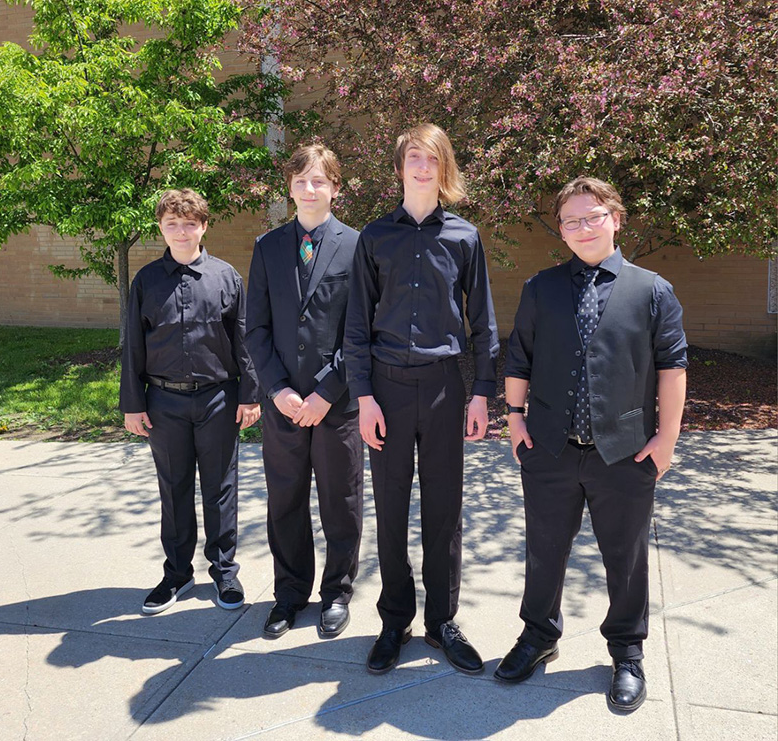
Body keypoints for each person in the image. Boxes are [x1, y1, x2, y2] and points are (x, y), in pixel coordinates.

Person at [496, 176, 687, 712]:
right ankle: (538, 636)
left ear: (616, 219)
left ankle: (626, 653)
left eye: (593, 216)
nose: (582, 227)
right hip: (550, 449)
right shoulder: (541, 287)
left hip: (624, 453)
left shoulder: (652, 290)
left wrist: (666, 439)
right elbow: (519, 360)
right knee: (544, 550)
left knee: (624, 558)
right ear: (561, 231)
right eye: (571, 221)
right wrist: (514, 421)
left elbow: (673, 369)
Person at [345, 123, 499, 675]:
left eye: (433, 159)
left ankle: (442, 621)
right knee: (390, 508)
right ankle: (394, 619)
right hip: (385, 388)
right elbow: (356, 327)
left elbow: (482, 323)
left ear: (444, 168)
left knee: (444, 510)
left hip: (442, 387)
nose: (422, 167)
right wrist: (363, 398)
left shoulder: (464, 237)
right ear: (400, 166)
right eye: (414, 156)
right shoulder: (374, 238)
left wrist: (481, 393)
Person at [120, 188, 261, 615]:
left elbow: (245, 341)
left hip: (219, 398)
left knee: (221, 488)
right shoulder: (146, 281)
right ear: (160, 228)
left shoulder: (226, 277)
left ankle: (225, 572)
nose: (181, 231)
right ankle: (177, 573)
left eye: (189, 223)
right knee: (174, 488)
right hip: (163, 402)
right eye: (171, 224)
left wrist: (251, 395)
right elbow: (133, 347)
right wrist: (132, 404)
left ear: (204, 226)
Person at [246, 145, 363, 639]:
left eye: (318, 181)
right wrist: (276, 389)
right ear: (289, 188)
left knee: (341, 502)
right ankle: (290, 594)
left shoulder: (359, 246)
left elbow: (361, 330)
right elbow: (256, 328)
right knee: (286, 502)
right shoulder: (268, 246)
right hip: (283, 407)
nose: (309, 190)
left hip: (336, 407)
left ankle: (336, 594)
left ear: (336, 187)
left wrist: (324, 393)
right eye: (300, 182)